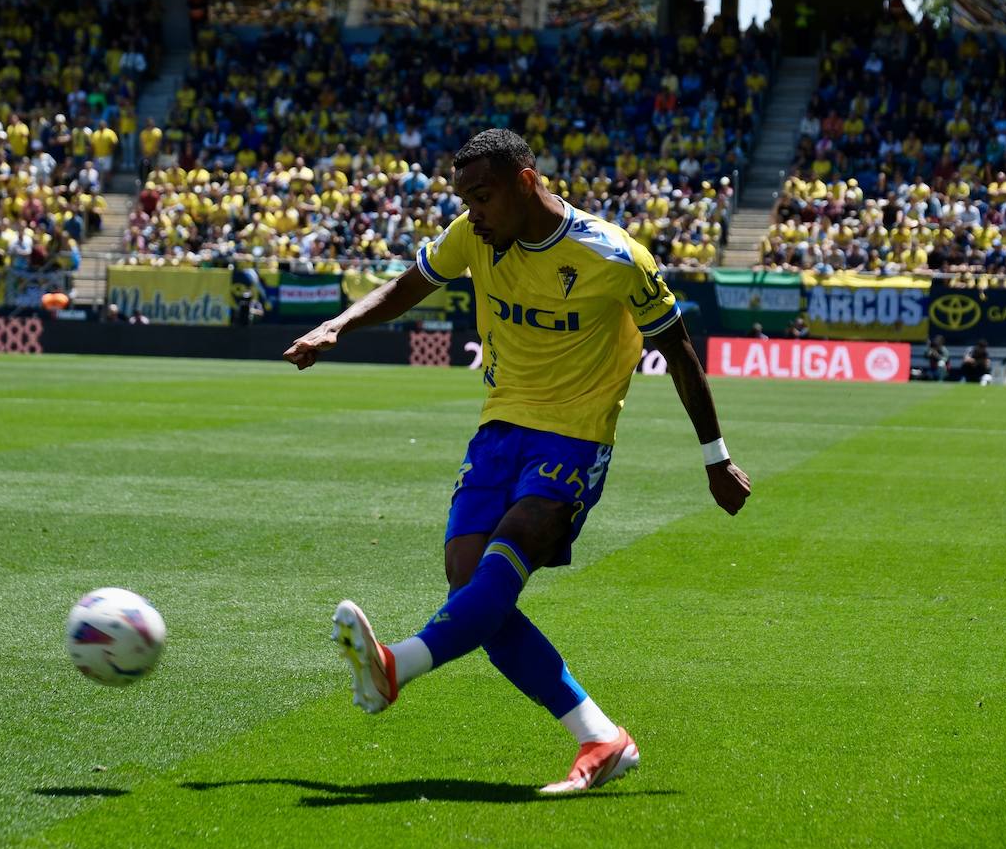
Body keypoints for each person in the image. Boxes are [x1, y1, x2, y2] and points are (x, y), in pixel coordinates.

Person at [284, 129, 751, 794]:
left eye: (482, 197)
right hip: (498, 429)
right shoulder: (472, 235)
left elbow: (677, 349)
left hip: (574, 437)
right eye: (465, 199)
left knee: (504, 564)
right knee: (472, 586)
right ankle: (601, 737)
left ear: (525, 182)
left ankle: (395, 666)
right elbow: (410, 283)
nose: (473, 212)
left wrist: (715, 457)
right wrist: (339, 325)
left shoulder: (613, 255)